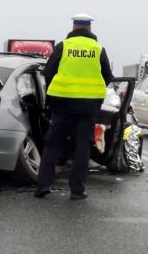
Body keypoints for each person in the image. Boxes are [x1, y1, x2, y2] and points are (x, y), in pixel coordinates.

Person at [35, 13, 115, 200]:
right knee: (83, 147)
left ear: (73, 27)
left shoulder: (64, 46)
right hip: (88, 107)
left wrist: (51, 97)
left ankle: (43, 186)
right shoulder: (97, 49)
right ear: (89, 28)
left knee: (53, 145)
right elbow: (108, 77)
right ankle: (77, 190)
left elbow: (48, 73)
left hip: (62, 104)